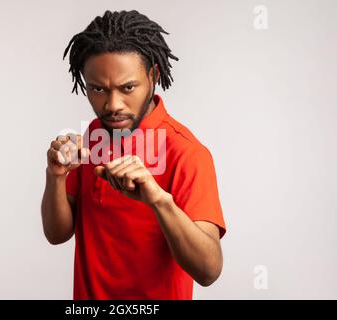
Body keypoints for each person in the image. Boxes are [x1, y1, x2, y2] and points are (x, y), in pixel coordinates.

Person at [41, 10, 227, 300]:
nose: (112, 105)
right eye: (98, 89)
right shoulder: (93, 136)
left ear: (152, 75)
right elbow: (57, 234)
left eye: (128, 88)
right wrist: (56, 176)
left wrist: (157, 201)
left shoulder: (187, 153)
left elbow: (208, 270)